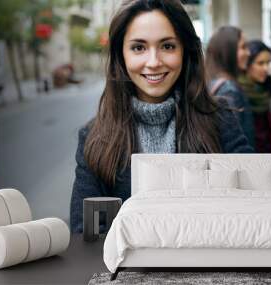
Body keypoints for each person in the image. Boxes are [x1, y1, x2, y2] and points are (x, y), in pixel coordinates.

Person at [69, 0, 253, 233]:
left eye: (167, 46)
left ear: (186, 51)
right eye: (138, 48)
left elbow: (254, 204)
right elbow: (85, 232)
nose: (154, 62)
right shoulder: (94, 136)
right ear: (121, 56)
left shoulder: (220, 118)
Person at [205, 26, 255, 148]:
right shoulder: (229, 90)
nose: (248, 53)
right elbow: (235, 146)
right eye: (243, 47)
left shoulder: (212, 82)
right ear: (227, 50)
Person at [238, 40, 271, 153]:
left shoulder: (263, 90)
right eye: (260, 63)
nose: (266, 68)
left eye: (268, 63)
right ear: (247, 65)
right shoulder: (238, 93)